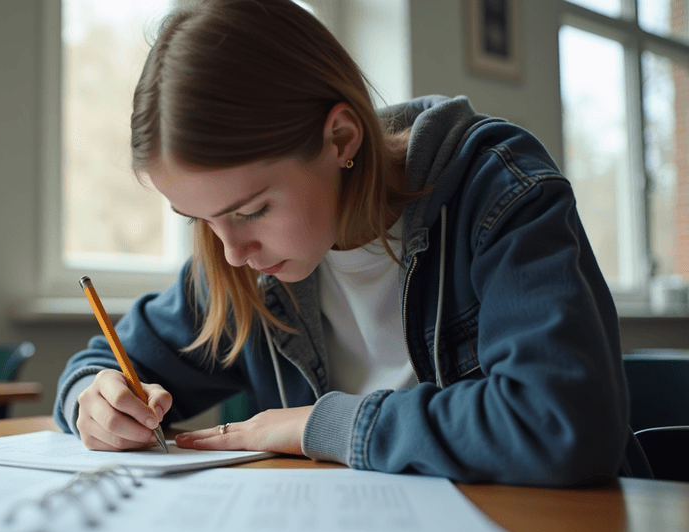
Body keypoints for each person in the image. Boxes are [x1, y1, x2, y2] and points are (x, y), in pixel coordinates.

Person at [54, 0, 648, 485]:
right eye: (200, 220)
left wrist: (324, 425)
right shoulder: (240, 262)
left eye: (252, 210)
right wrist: (95, 400)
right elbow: (101, 365)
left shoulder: (497, 191)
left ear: (340, 137)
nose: (232, 252)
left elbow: (561, 424)